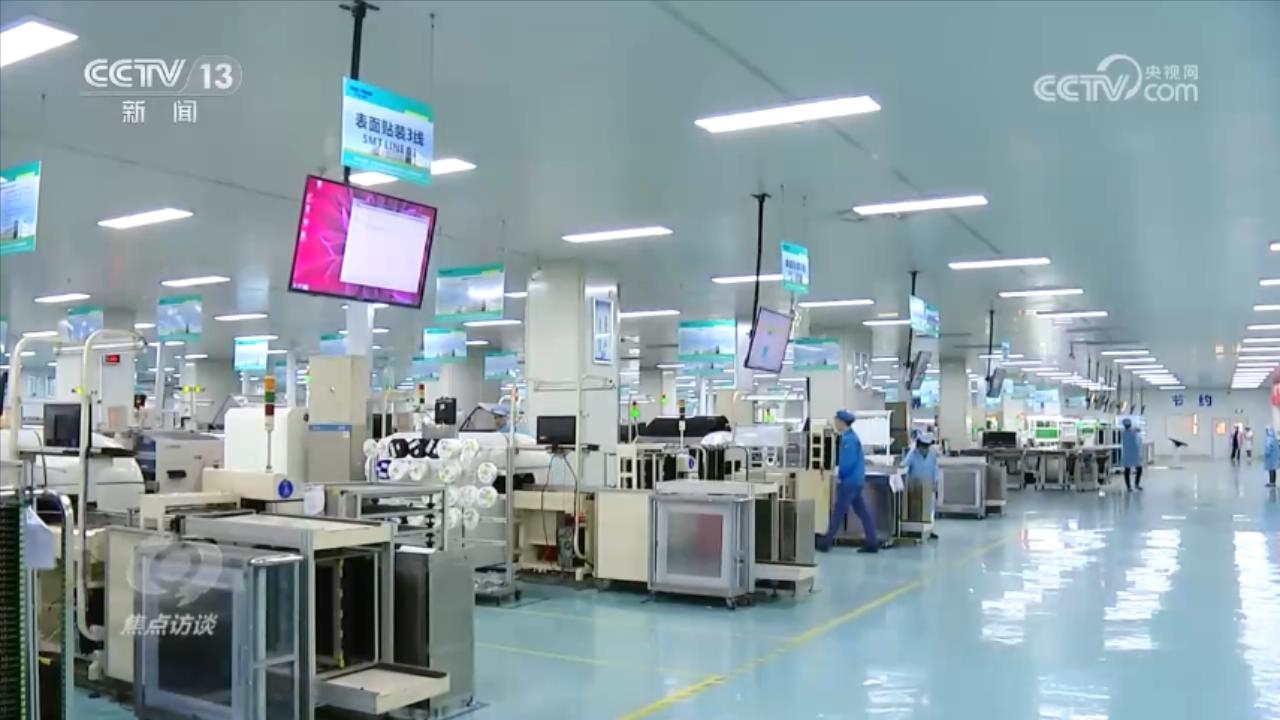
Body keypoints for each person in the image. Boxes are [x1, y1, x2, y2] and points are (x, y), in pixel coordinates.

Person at [819, 410, 878, 553]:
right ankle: (872, 541)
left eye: (836, 420)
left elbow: (847, 462)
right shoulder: (849, 437)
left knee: (838, 510)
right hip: (855, 480)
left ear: (841, 422)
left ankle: (826, 542)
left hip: (850, 481)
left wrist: (839, 475)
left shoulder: (849, 440)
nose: (835, 423)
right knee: (862, 511)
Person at [902, 430, 940, 539]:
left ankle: (930, 530)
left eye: (927, 447)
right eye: (923, 448)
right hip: (915, 486)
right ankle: (915, 530)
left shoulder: (932, 453)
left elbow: (935, 468)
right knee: (916, 508)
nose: (925, 450)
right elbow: (904, 466)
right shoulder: (912, 454)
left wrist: (936, 482)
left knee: (930, 508)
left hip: (929, 484)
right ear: (918, 446)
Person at [1120, 417, 1144, 491]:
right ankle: (1131, 486)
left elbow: (1138, 431)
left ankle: (1133, 485)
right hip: (1130, 453)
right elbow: (1138, 432)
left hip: (1132, 453)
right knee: (1129, 470)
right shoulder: (1126, 432)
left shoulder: (1127, 432)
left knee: (1137, 469)